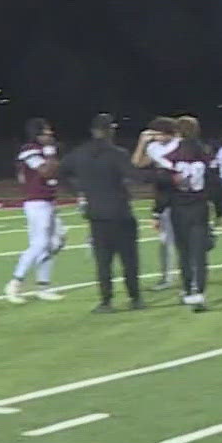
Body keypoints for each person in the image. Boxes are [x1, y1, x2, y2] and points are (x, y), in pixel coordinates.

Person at [58, 113, 144, 312]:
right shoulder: (117, 153)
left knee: (103, 262)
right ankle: (135, 298)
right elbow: (135, 175)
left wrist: (78, 191)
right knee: (129, 259)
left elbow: (61, 174)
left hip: (96, 213)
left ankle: (106, 301)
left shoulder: (79, 153)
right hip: (120, 213)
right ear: (110, 130)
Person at [145, 116, 215, 312]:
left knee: (184, 252)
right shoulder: (205, 153)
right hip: (200, 207)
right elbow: (214, 183)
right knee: (200, 253)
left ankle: (187, 290)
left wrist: (157, 212)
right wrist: (220, 209)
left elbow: (163, 187)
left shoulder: (171, 157)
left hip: (179, 209)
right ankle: (200, 292)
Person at [3, 118, 66, 304]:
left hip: (48, 201)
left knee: (56, 241)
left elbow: (55, 171)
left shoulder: (42, 151)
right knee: (40, 244)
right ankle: (15, 282)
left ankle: (43, 286)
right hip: (36, 202)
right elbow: (46, 171)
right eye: (47, 131)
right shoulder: (29, 150)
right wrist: (49, 151)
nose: (51, 134)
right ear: (37, 133)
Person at [133, 121, 181, 291]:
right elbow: (137, 163)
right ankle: (167, 277)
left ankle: (193, 274)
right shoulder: (154, 147)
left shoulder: (179, 144)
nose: (157, 137)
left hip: (182, 195)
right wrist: (142, 142)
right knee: (165, 240)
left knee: (185, 239)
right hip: (163, 196)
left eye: (160, 133)